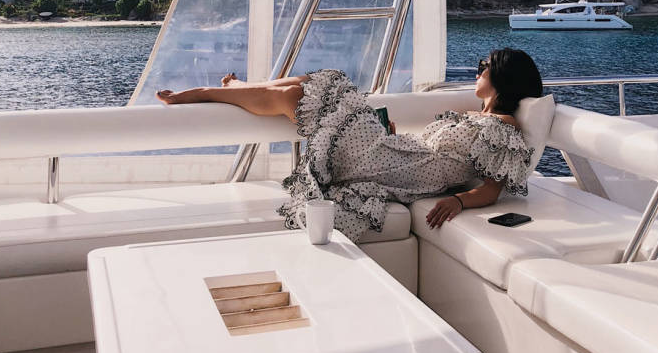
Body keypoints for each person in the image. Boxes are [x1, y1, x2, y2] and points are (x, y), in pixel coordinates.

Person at [156, 47, 543, 242]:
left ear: (501, 78)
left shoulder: (502, 127)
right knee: (311, 86)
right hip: (390, 154)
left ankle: (210, 91)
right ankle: (233, 88)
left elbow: (492, 190)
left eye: (483, 68)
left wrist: (458, 201)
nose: (477, 72)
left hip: (391, 168)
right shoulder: (474, 116)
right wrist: (393, 137)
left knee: (304, 94)